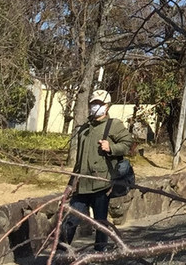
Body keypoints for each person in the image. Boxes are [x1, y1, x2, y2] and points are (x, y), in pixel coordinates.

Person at [60, 89, 133, 253]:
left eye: (99, 104)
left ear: (106, 106)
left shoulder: (114, 125)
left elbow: (128, 144)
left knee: (101, 223)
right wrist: (70, 184)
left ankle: (100, 255)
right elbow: (79, 160)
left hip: (102, 184)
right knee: (70, 219)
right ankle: (60, 253)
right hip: (82, 184)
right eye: (93, 103)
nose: (95, 107)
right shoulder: (84, 128)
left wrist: (111, 147)